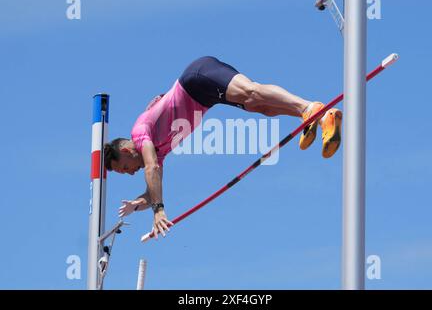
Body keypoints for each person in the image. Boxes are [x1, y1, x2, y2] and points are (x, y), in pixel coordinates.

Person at [104, 56, 342, 239]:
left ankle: (310, 109)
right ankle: (313, 116)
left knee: (253, 91)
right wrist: (139, 204)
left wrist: (158, 210)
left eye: (125, 168)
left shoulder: (140, 134)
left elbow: (151, 170)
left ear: (126, 151)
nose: (131, 172)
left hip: (197, 78)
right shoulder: (157, 150)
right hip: (205, 96)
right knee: (262, 107)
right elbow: (151, 189)